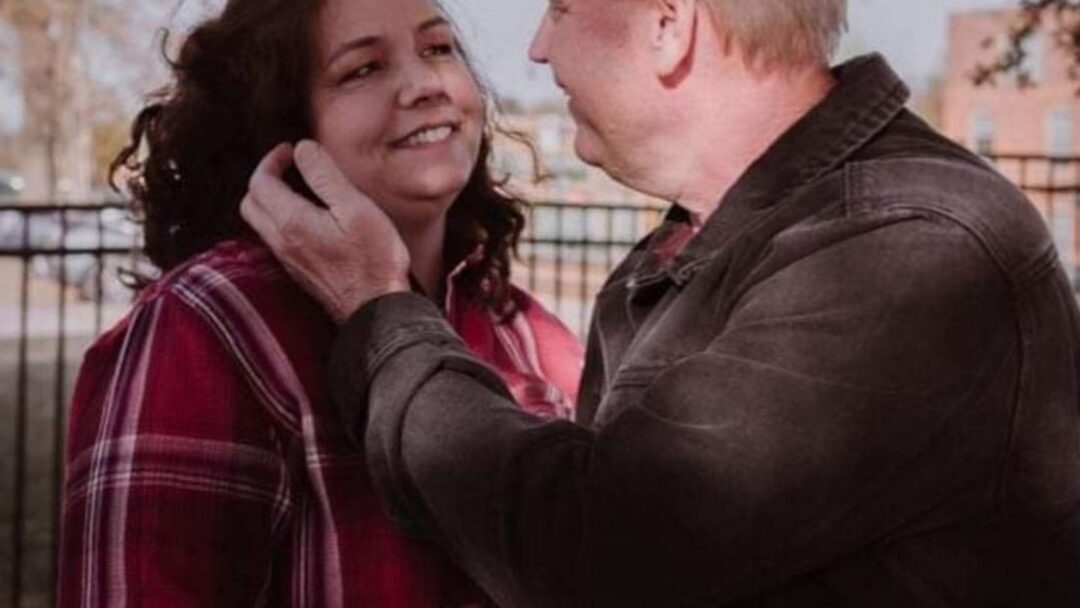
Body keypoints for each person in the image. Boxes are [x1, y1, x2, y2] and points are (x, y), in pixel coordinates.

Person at [242, 0, 1080, 605]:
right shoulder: (696, 245)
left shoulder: (908, 244)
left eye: (561, 7)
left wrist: (379, 309)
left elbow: (597, 553)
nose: (534, 47)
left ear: (669, 23)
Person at [57, 0, 584, 605]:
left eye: (438, 48)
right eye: (362, 69)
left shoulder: (529, 333)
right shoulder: (209, 324)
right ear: (283, 133)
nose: (426, 84)